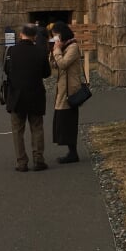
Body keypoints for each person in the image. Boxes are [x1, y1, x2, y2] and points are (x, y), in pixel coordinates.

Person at [5, 24, 52, 172]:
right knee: (37, 127)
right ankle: (38, 160)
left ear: (21, 34)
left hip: (16, 95)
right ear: (35, 36)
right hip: (36, 94)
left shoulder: (11, 51)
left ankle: (21, 162)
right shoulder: (40, 51)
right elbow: (46, 73)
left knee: (17, 130)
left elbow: (7, 70)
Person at [49, 22, 83, 164]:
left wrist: (57, 50)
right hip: (63, 88)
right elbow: (54, 65)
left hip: (70, 90)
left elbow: (63, 64)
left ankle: (73, 153)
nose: (55, 38)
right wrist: (53, 51)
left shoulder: (73, 46)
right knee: (62, 118)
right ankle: (71, 151)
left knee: (68, 119)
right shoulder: (64, 46)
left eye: (56, 35)